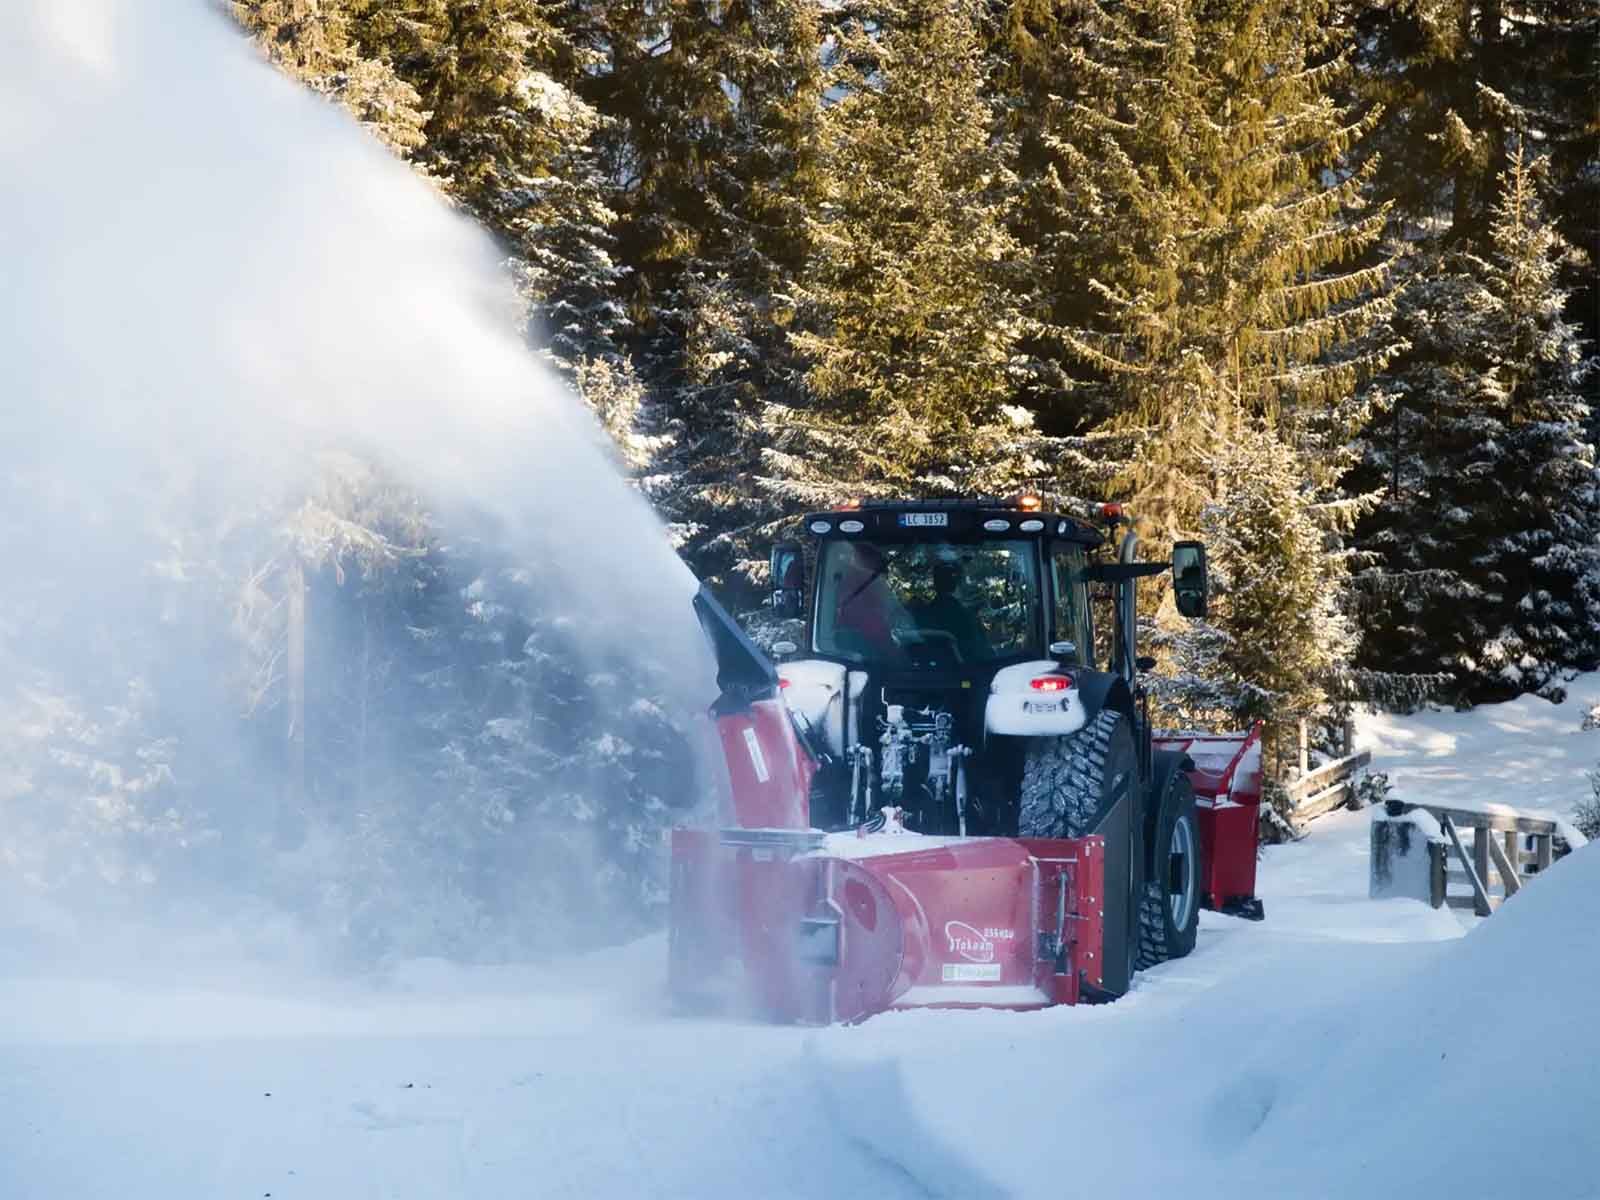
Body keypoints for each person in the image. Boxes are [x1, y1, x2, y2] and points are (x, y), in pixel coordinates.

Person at [912, 558, 989, 662]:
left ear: (935, 584)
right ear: (959, 584)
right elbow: (982, 655)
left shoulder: (921, 615)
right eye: (965, 580)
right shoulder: (967, 617)